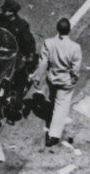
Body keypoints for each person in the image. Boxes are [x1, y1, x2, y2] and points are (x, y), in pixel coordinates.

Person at [35, 17, 82, 149]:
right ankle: (53, 135)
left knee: (53, 97)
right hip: (65, 80)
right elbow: (75, 68)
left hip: (52, 77)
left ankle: (52, 112)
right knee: (61, 107)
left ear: (57, 29)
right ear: (69, 30)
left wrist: (38, 77)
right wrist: (74, 78)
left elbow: (43, 62)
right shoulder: (75, 47)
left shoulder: (49, 43)